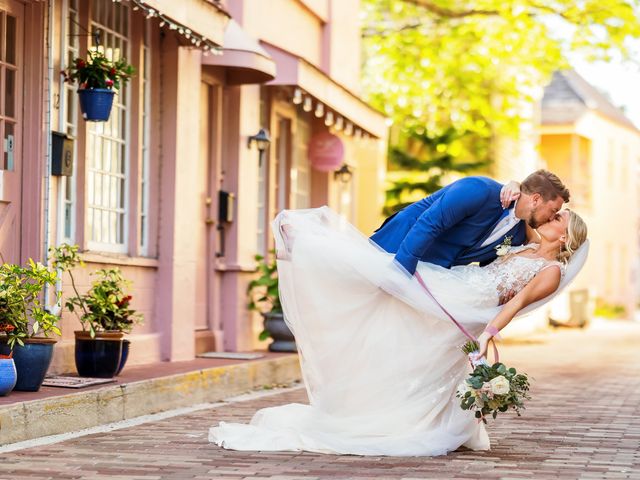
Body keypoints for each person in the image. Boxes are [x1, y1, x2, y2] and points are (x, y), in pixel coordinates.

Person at [209, 176, 588, 457]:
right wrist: (399, 276)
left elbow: (506, 288)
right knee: (363, 279)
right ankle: (307, 242)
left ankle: (391, 412)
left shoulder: (527, 242)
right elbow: (430, 224)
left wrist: (488, 329)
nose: (552, 218)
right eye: (553, 211)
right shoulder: (484, 195)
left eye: (558, 218)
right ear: (536, 198)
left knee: (403, 343)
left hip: (452, 288)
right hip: (415, 258)